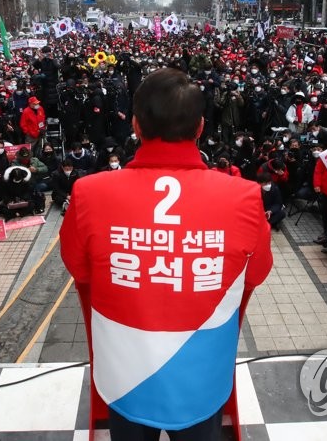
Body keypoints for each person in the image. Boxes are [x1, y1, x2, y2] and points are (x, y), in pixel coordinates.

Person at [60, 68, 273, 441]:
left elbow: (80, 269)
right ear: (201, 127)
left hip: (124, 371)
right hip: (201, 375)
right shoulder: (244, 195)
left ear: (137, 126)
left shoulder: (88, 192)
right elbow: (256, 274)